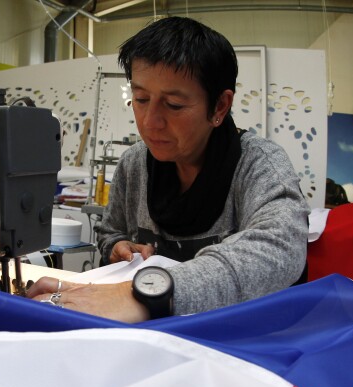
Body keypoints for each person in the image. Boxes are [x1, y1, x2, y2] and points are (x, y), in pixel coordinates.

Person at [28, 16, 308, 322]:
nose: (150, 122)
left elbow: (281, 249)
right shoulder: (135, 163)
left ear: (219, 107)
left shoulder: (259, 165)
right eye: (141, 99)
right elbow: (111, 231)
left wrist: (148, 294)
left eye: (174, 104)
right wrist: (117, 246)